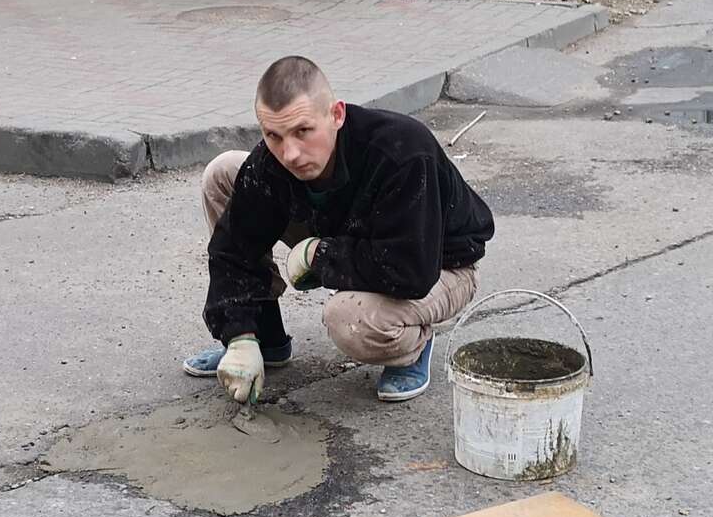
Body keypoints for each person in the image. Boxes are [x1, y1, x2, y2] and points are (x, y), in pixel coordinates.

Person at [184, 55, 495, 403]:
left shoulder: (402, 152)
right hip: (345, 232)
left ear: (336, 114)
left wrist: (321, 256)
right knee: (225, 172)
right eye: (274, 135)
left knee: (348, 318)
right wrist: (239, 333)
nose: (290, 154)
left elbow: (411, 269)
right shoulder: (276, 159)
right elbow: (233, 248)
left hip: (437, 264)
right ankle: (265, 339)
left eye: (303, 131)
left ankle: (411, 345)